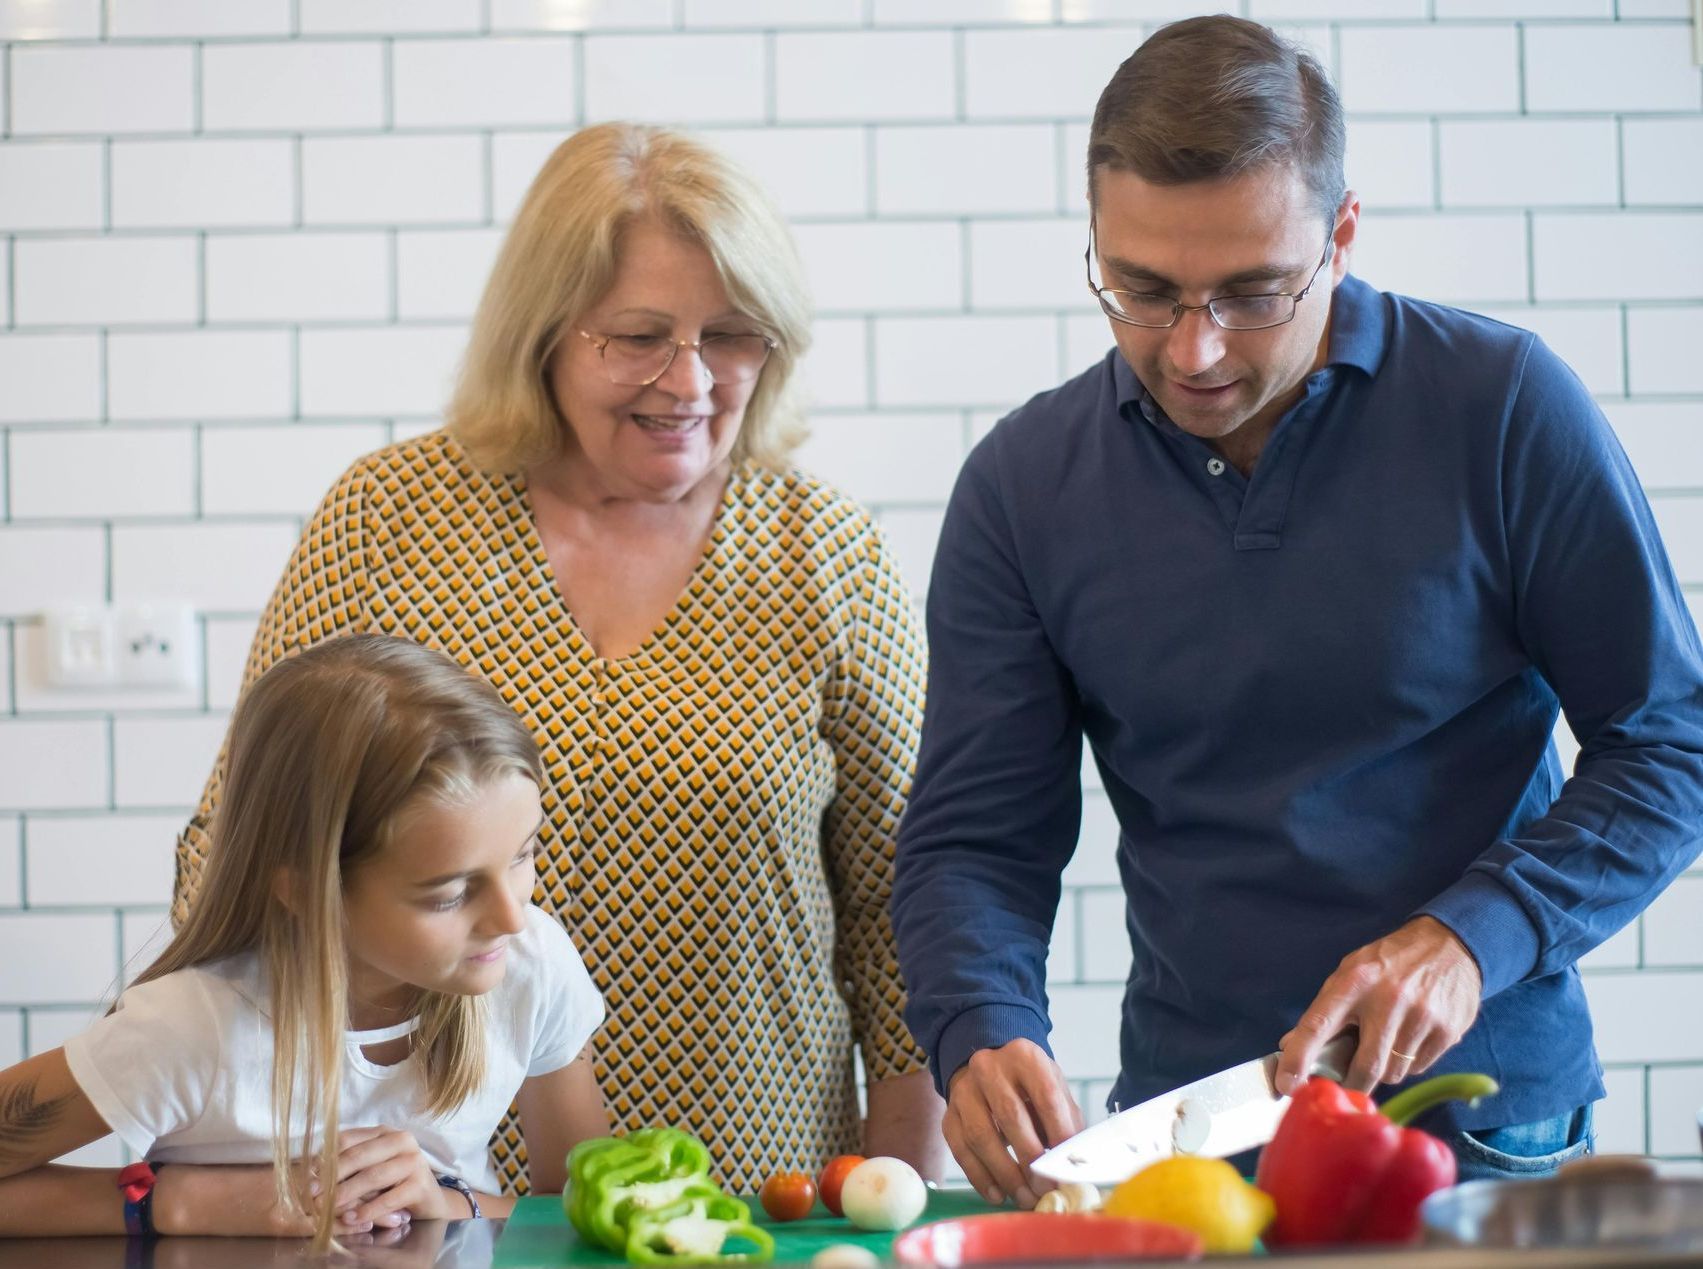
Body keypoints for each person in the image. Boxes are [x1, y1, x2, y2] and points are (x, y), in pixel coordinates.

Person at [892, 13, 1703, 1209]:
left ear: (1341, 235)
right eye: (1141, 290)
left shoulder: (1501, 410)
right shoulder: (1023, 486)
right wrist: (978, 1020)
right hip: (1181, 1130)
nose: (1192, 350)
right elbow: (975, 839)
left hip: (1476, 1122)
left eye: (1252, 293)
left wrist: (1470, 938)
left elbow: (1669, 744)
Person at [171, 122, 945, 1193]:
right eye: (637, 336)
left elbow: (903, 905)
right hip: (425, 1192)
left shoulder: (828, 559)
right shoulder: (387, 522)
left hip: (756, 1193)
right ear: (543, 333)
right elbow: (240, 848)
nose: (691, 381)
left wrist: (900, 1195)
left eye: (731, 333)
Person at [0, 635, 610, 1245]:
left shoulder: (533, 966)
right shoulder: (189, 1029)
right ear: (306, 887)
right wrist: (184, 1201)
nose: (510, 916)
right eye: (449, 894)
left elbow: (584, 1211)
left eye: (524, 854)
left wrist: (449, 1202)